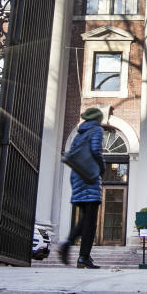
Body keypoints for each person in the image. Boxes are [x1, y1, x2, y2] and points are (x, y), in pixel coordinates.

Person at [57, 107, 106, 269]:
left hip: (77, 177)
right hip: (90, 177)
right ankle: (79, 254)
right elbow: (96, 150)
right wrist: (102, 168)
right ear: (98, 119)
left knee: (86, 218)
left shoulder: (80, 134)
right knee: (90, 221)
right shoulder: (97, 130)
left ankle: (81, 255)